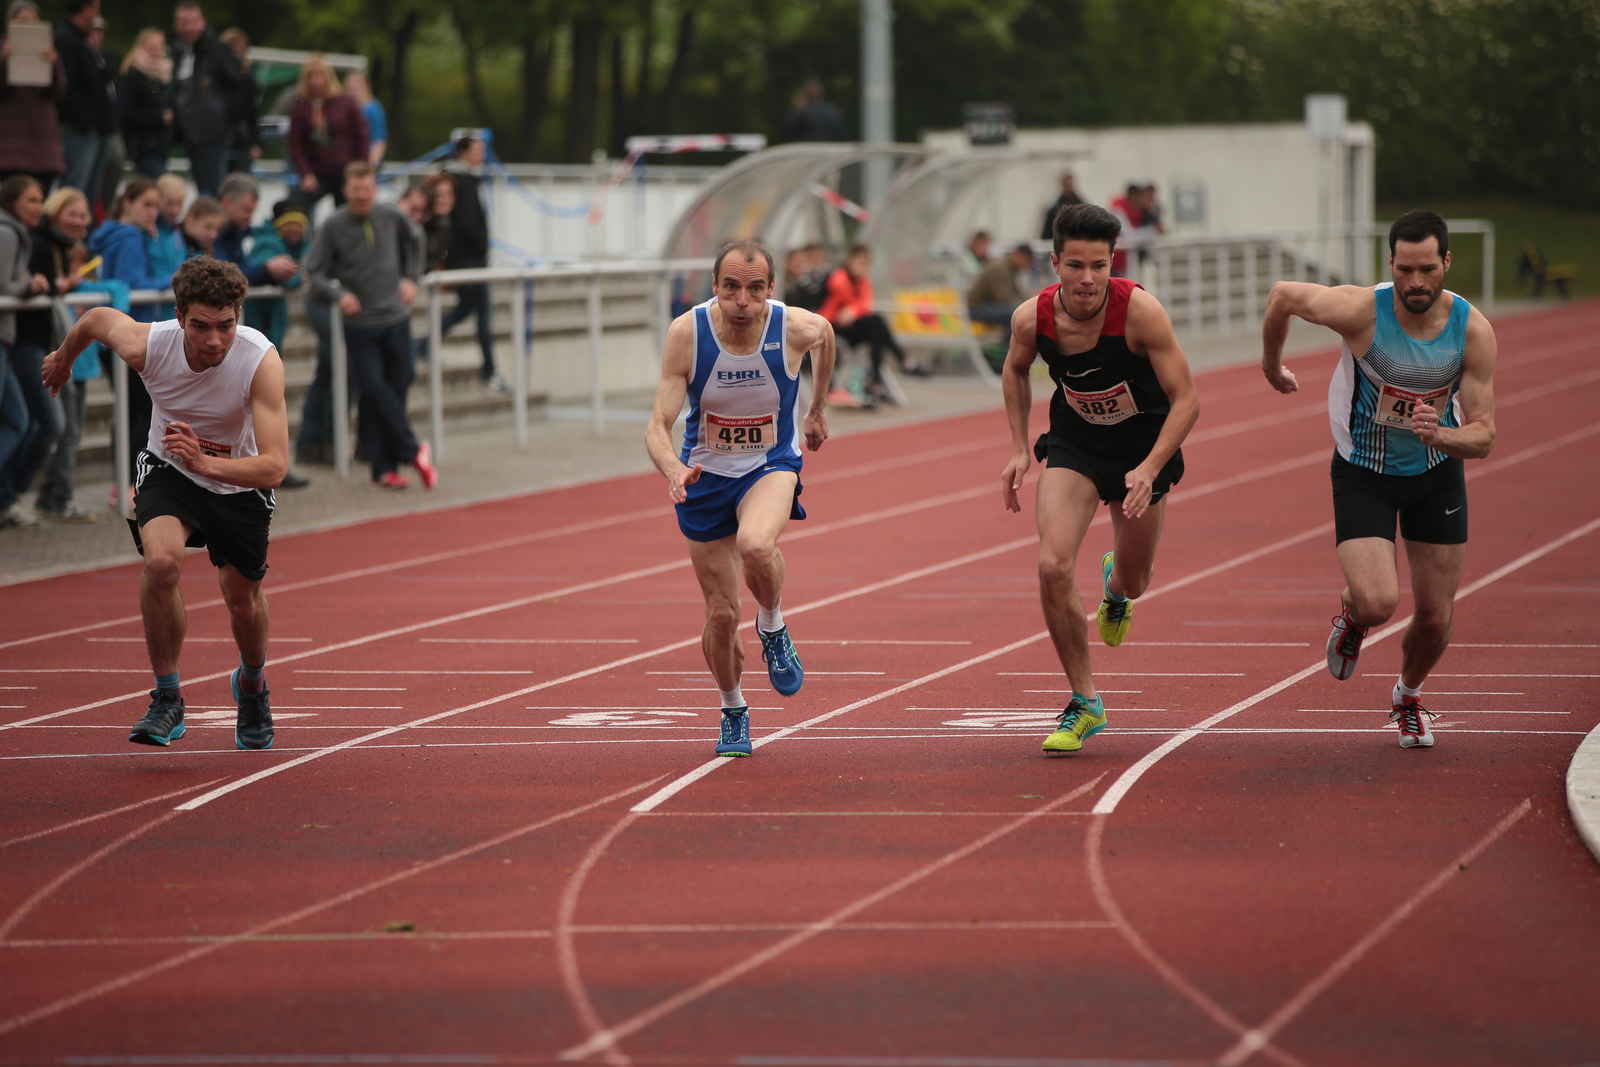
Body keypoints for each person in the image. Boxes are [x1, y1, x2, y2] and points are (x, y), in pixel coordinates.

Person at [1260, 209, 1498, 750]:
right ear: (1390, 263)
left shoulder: (1472, 330)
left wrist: (1441, 435)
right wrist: (1272, 366)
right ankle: (1353, 618)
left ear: (1446, 263)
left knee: (1435, 618)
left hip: (1435, 474)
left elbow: (1484, 435)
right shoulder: (1360, 311)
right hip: (1364, 472)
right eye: (1405, 269)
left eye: (1427, 269)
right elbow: (1281, 296)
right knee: (1376, 603)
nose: (1416, 282)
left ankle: (1407, 697)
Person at [42, 256, 286, 750]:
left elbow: (275, 465)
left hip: (237, 480)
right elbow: (96, 319)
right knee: (161, 563)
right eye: (200, 326)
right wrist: (63, 358)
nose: (214, 340)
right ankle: (168, 696)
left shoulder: (259, 360)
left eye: (225, 325)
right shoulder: (150, 345)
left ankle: (252, 683)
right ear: (179, 317)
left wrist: (207, 463)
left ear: (238, 317)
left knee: (242, 600)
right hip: (169, 468)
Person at [999, 203, 1200, 755]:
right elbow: (1015, 369)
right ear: (1055, 264)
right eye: (1075, 266)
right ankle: (1085, 701)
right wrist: (1018, 447)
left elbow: (1187, 399)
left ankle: (1116, 589)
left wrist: (1151, 467)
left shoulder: (1140, 313)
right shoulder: (1032, 319)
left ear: (1113, 262)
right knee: (1052, 564)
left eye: (1099, 266)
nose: (1087, 279)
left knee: (1136, 580)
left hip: (1142, 449)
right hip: (1077, 445)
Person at [644, 239, 835, 757]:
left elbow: (826, 334)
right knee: (722, 614)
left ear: (771, 289)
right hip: (704, 474)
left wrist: (816, 409)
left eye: (754, 289)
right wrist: (673, 468)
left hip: (769, 465)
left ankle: (772, 623)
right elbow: (658, 424)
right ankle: (733, 708)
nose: (742, 301)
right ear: (715, 287)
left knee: (755, 544)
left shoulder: (793, 327)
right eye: (730, 288)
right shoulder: (688, 334)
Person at [303, 161, 436, 490]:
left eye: (367, 189)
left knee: (399, 384)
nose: (362, 195)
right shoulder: (333, 225)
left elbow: (416, 239)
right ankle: (412, 450)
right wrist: (340, 294)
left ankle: (385, 467)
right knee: (374, 389)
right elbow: (314, 271)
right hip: (360, 324)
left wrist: (411, 278)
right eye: (355, 189)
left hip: (396, 319)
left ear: (375, 189)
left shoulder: (391, 216)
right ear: (345, 190)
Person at [90, 176, 175, 491]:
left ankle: (126, 483)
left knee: (132, 411)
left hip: (117, 334)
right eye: (146, 204)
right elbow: (133, 282)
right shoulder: (128, 236)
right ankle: (131, 484)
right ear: (127, 202)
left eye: (156, 206)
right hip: (130, 336)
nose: (152, 212)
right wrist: (174, 280)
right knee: (141, 413)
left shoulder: (113, 233)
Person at [29, 185, 99, 521]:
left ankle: (54, 496)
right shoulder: (42, 245)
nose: (79, 221)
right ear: (55, 212)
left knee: (69, 428)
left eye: (83, 215)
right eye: (72, 214)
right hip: (47, 350)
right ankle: (55, 496)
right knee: (60, 427)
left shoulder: (68, 248)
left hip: (71, 354)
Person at [0, 175, 53, 529]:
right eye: (32, 199)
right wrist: (29, 285)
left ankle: (7, 499)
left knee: (18, 420)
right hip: (4, 339)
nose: (39, 207)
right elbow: (4, 286)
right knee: (19, 421)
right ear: (12, 201)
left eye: (40, 199)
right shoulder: (7, 233)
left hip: (6, 340)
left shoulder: (14, 232)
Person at [818, 244, 922, 404]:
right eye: (860, 262)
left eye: (866, 263)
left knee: (877, 331)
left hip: (852, 326)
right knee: (877, 323)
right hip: (832, 325)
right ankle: (898, 362)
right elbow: (848, 300)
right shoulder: (839, 277)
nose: (863, 267)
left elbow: (864, 304)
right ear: (850, 261)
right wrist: (855, 309)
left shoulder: (863, 281)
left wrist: (854, 310)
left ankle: (877, 378)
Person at [436, 132, 499, 391]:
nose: (481, 156)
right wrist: (480, 246)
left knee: (469, 310)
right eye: (477, 151)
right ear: (464, 152)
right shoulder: (460, 181)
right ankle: (489, 369)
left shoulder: (467, 180)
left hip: (471, 258)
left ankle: (422, 345)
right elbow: (466, 223)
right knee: (477, 313)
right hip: (468, 260)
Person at [169, 2, 246, 197]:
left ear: (202, 22)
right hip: (188, 135)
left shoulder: (218, 50)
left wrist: (225, 120)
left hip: (214, 134)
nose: (188, 27)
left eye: (192, 21)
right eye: (183, 22)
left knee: (214, 189)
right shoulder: (176, 51)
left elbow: (240, 87)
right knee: (203, 187)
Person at [287, 55, 368, 214]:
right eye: (312, 77)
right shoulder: (300, 106)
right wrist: (305, 173)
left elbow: (361, 135)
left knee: (348, 213)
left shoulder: (346, 102)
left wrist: (361, 170)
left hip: (346, 170)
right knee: (295, 205)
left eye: (320, 76)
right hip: (315, 171)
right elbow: (295, 143)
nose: (316, 81)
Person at [0, 1, 66, 191]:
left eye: (32, 21)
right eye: (22, 21)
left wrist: (52, 64)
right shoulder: (2, 49)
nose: (28, 26)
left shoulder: (48, 51)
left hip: (43, 150)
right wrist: (4, 61)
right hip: (9, 149)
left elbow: (59, 92)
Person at [54, 0, 112, 196]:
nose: (97, 16)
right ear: (86, 9)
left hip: (91, 127)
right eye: (96, 9)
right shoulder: (67, 40)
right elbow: (68, 87)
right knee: (75, 188)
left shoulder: (81, 41)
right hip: (79, 127)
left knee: (87, 188)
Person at [118, 28, 173, 180]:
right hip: (143, 146)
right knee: (162, 183)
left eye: (160, 47)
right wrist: (160, 117)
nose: (157, 52)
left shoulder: (162, 77)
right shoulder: (132, 76)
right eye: (152, 48)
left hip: (160, 146)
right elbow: (126, 113)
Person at [217, 28, 258, 179]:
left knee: (242, 181)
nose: (236, 52)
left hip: (242, 139)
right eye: (232, 48)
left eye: (240, 48)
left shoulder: (248, 77)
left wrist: (255, 142)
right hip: (219, 137)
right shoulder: (215, 77)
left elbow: (252, 112)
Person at [967, 242, 1034, 328]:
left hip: (987, 305)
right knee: (1016, 313)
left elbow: (1016, 292)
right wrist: (1027, 306)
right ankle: (1012, 336)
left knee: (1020, 311)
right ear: (1018, 256)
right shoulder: (1000, 268)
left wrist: (1031, 302)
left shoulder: (1010, 268)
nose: (1027, 265)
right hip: (977, 308)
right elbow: (1003, 298)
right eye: (1027, 261)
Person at [780, 79, 846, 142]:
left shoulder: (800, 112)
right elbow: (841, 134)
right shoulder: (833, 111)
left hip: (807, 148)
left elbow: (787, 131)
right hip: (831, 147)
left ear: (805, 94)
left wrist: (798, 108)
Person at [343, 69, 386, 167]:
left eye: (356, 88)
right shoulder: (341, 109)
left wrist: (370, 166)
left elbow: (378, 141)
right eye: (349, 89)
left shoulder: (373, 109)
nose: (353, 92)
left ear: (367, 87)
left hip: (363, 164)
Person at [1039, 170, 1086, 242]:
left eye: (1070, 184)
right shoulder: (1053, 211)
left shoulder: (1084, 209)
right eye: (1066, 185)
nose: (1068, 187)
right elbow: (1046, 237)